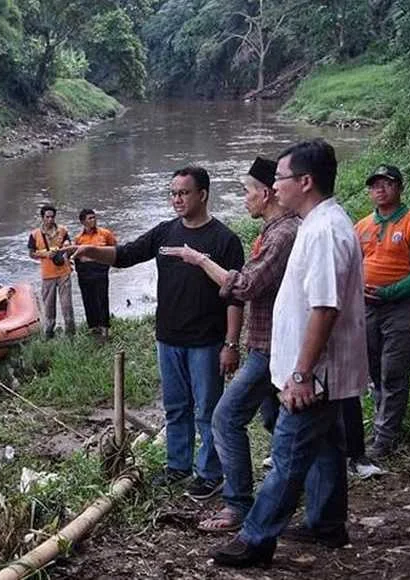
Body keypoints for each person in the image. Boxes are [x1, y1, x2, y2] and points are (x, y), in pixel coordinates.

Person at [213, 139, 367, 568]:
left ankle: (257, 538)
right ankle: (326, 524)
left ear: (305, 181)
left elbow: (324, 307)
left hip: (315, 373)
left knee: (287, 456)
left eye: (280, 178)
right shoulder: (321, 223)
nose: (274, 187)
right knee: (327, 446)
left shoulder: (321, 231)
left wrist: (301, 374)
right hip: (321, 369)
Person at [72, 166, 245, 500]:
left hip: (207, 341)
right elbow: (125, 255)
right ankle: (178, 465)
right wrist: (91, 251)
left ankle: (210, 473)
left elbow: (235, 296)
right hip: (168, 338)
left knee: (208, 410)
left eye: (183, 193)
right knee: (176, 407)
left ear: (203, 195)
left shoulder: (224, 240)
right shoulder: (165, 232)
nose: (176, 199)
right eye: (172, 193)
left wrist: (231, 344)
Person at [163, 157, 298, 532]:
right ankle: (318, 509)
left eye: (247, 192)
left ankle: (238, 503)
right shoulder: (273, 231)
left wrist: (199, 260)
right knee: (281, 422)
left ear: (267, 192)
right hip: (269, 345)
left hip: (272, 347)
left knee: (222, 416)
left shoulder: (280, 235)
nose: (244, 199)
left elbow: (244, 287)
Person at [345, 164, 410, 468]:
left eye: (386, 184)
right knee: (372, 368)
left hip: (402, 307)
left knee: (394, 371)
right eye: (374, 185)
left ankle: (385, 439)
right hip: (367, 307)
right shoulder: (362, 226)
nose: (379, 189)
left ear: (399, 187)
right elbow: (352, 263)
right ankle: (381, 426)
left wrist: (392, 291)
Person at [28, 205, 75, 338]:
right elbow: (31, 254)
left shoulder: (62, 230)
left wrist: (66, 247)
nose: (50, 219)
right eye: (47, 217)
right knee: (49, 306)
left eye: (52, 217)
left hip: (64, 272)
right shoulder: (35, 234)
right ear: (42, 218)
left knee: (67, 305)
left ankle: (71, 334)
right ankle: (49, 333)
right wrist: (45, 254)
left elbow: (70, 246)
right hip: (47, 274)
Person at [73, 209, 117, 339]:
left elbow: (114, 248)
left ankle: (105, 327)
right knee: (88, 299)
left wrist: (106, 264)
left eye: (94, 218)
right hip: (84, 271)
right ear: (82, 222)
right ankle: (93, 327)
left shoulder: (105, 234)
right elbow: (75, 256)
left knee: (102, 298)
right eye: (90, 218)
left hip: (100, 269)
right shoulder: (79, 238)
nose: (93, 220)